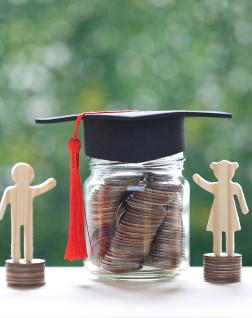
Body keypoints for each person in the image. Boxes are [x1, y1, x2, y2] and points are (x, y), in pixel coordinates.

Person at [0, 163, 56, 263]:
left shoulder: (19, 191)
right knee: (19, 237)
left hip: (25, 219)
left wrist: (50, 183)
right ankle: (18, 259)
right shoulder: (10, 191)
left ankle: (26, 259)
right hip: (19, 219)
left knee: (25, 238)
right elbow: (2, 207)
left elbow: (41, 188)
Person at [193, 160, 249, 256]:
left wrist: (244, 209)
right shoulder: (217, 186)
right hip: (218, 213)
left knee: (229, 231)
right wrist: (198, 179)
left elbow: (241, 199)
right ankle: (218, 252)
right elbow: (206, 185)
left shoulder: (235, 186)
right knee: (217, 231)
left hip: (229, 213)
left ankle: (229, 252)